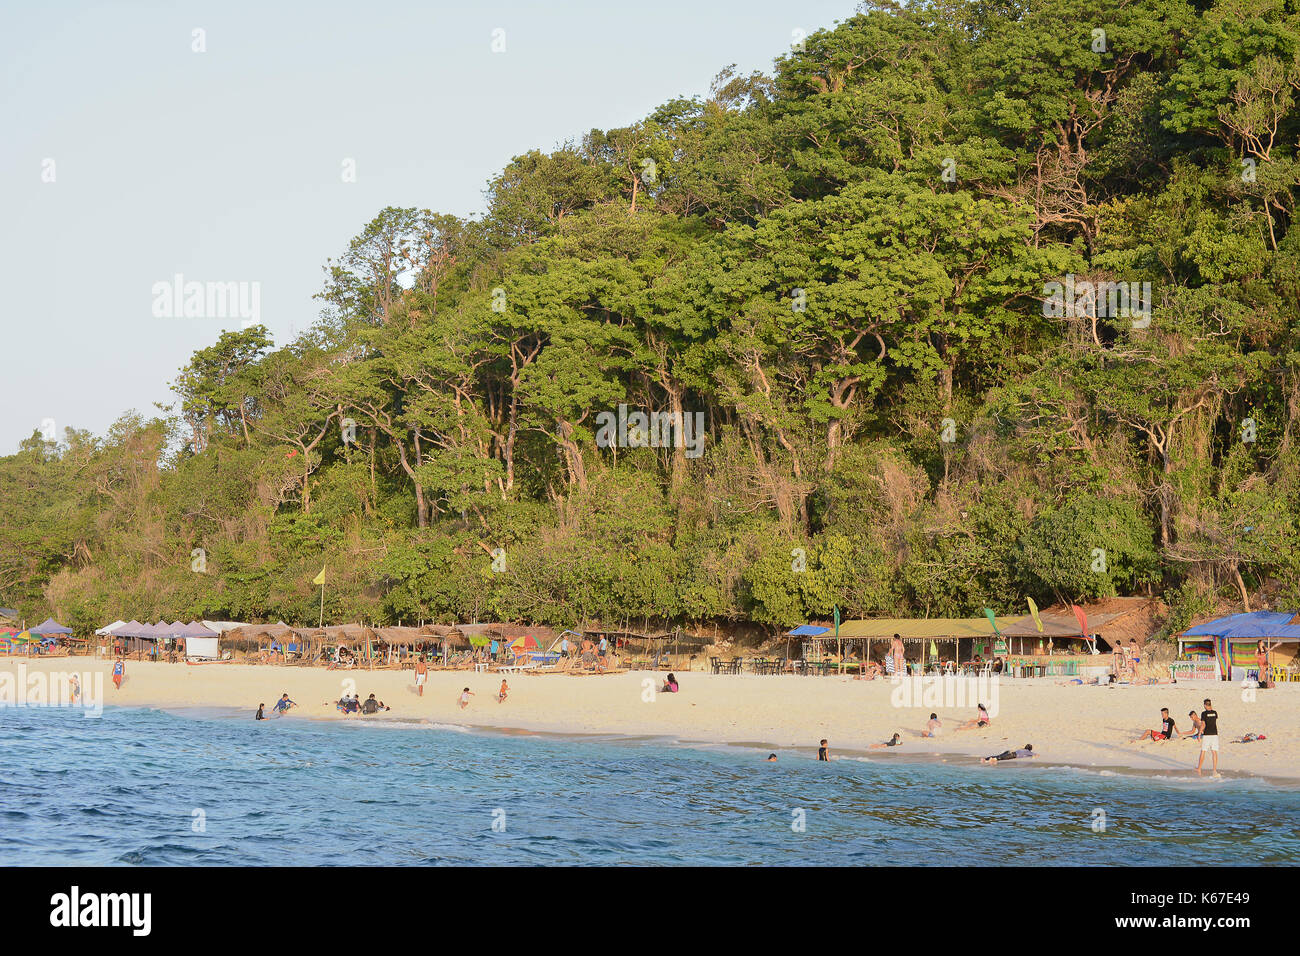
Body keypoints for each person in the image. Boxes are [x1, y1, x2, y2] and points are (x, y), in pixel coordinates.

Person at [1196, 698, 1220, 777]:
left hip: (1207, 734)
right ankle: (1214, 770)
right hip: (1215, 734)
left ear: (1205, 705)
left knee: (1203, 751)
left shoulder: (1203, 713)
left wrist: (1199, 733)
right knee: (1214, 752)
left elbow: (1203, 724)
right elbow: (1213, 720)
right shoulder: (1215, 712)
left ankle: (1199, 768)